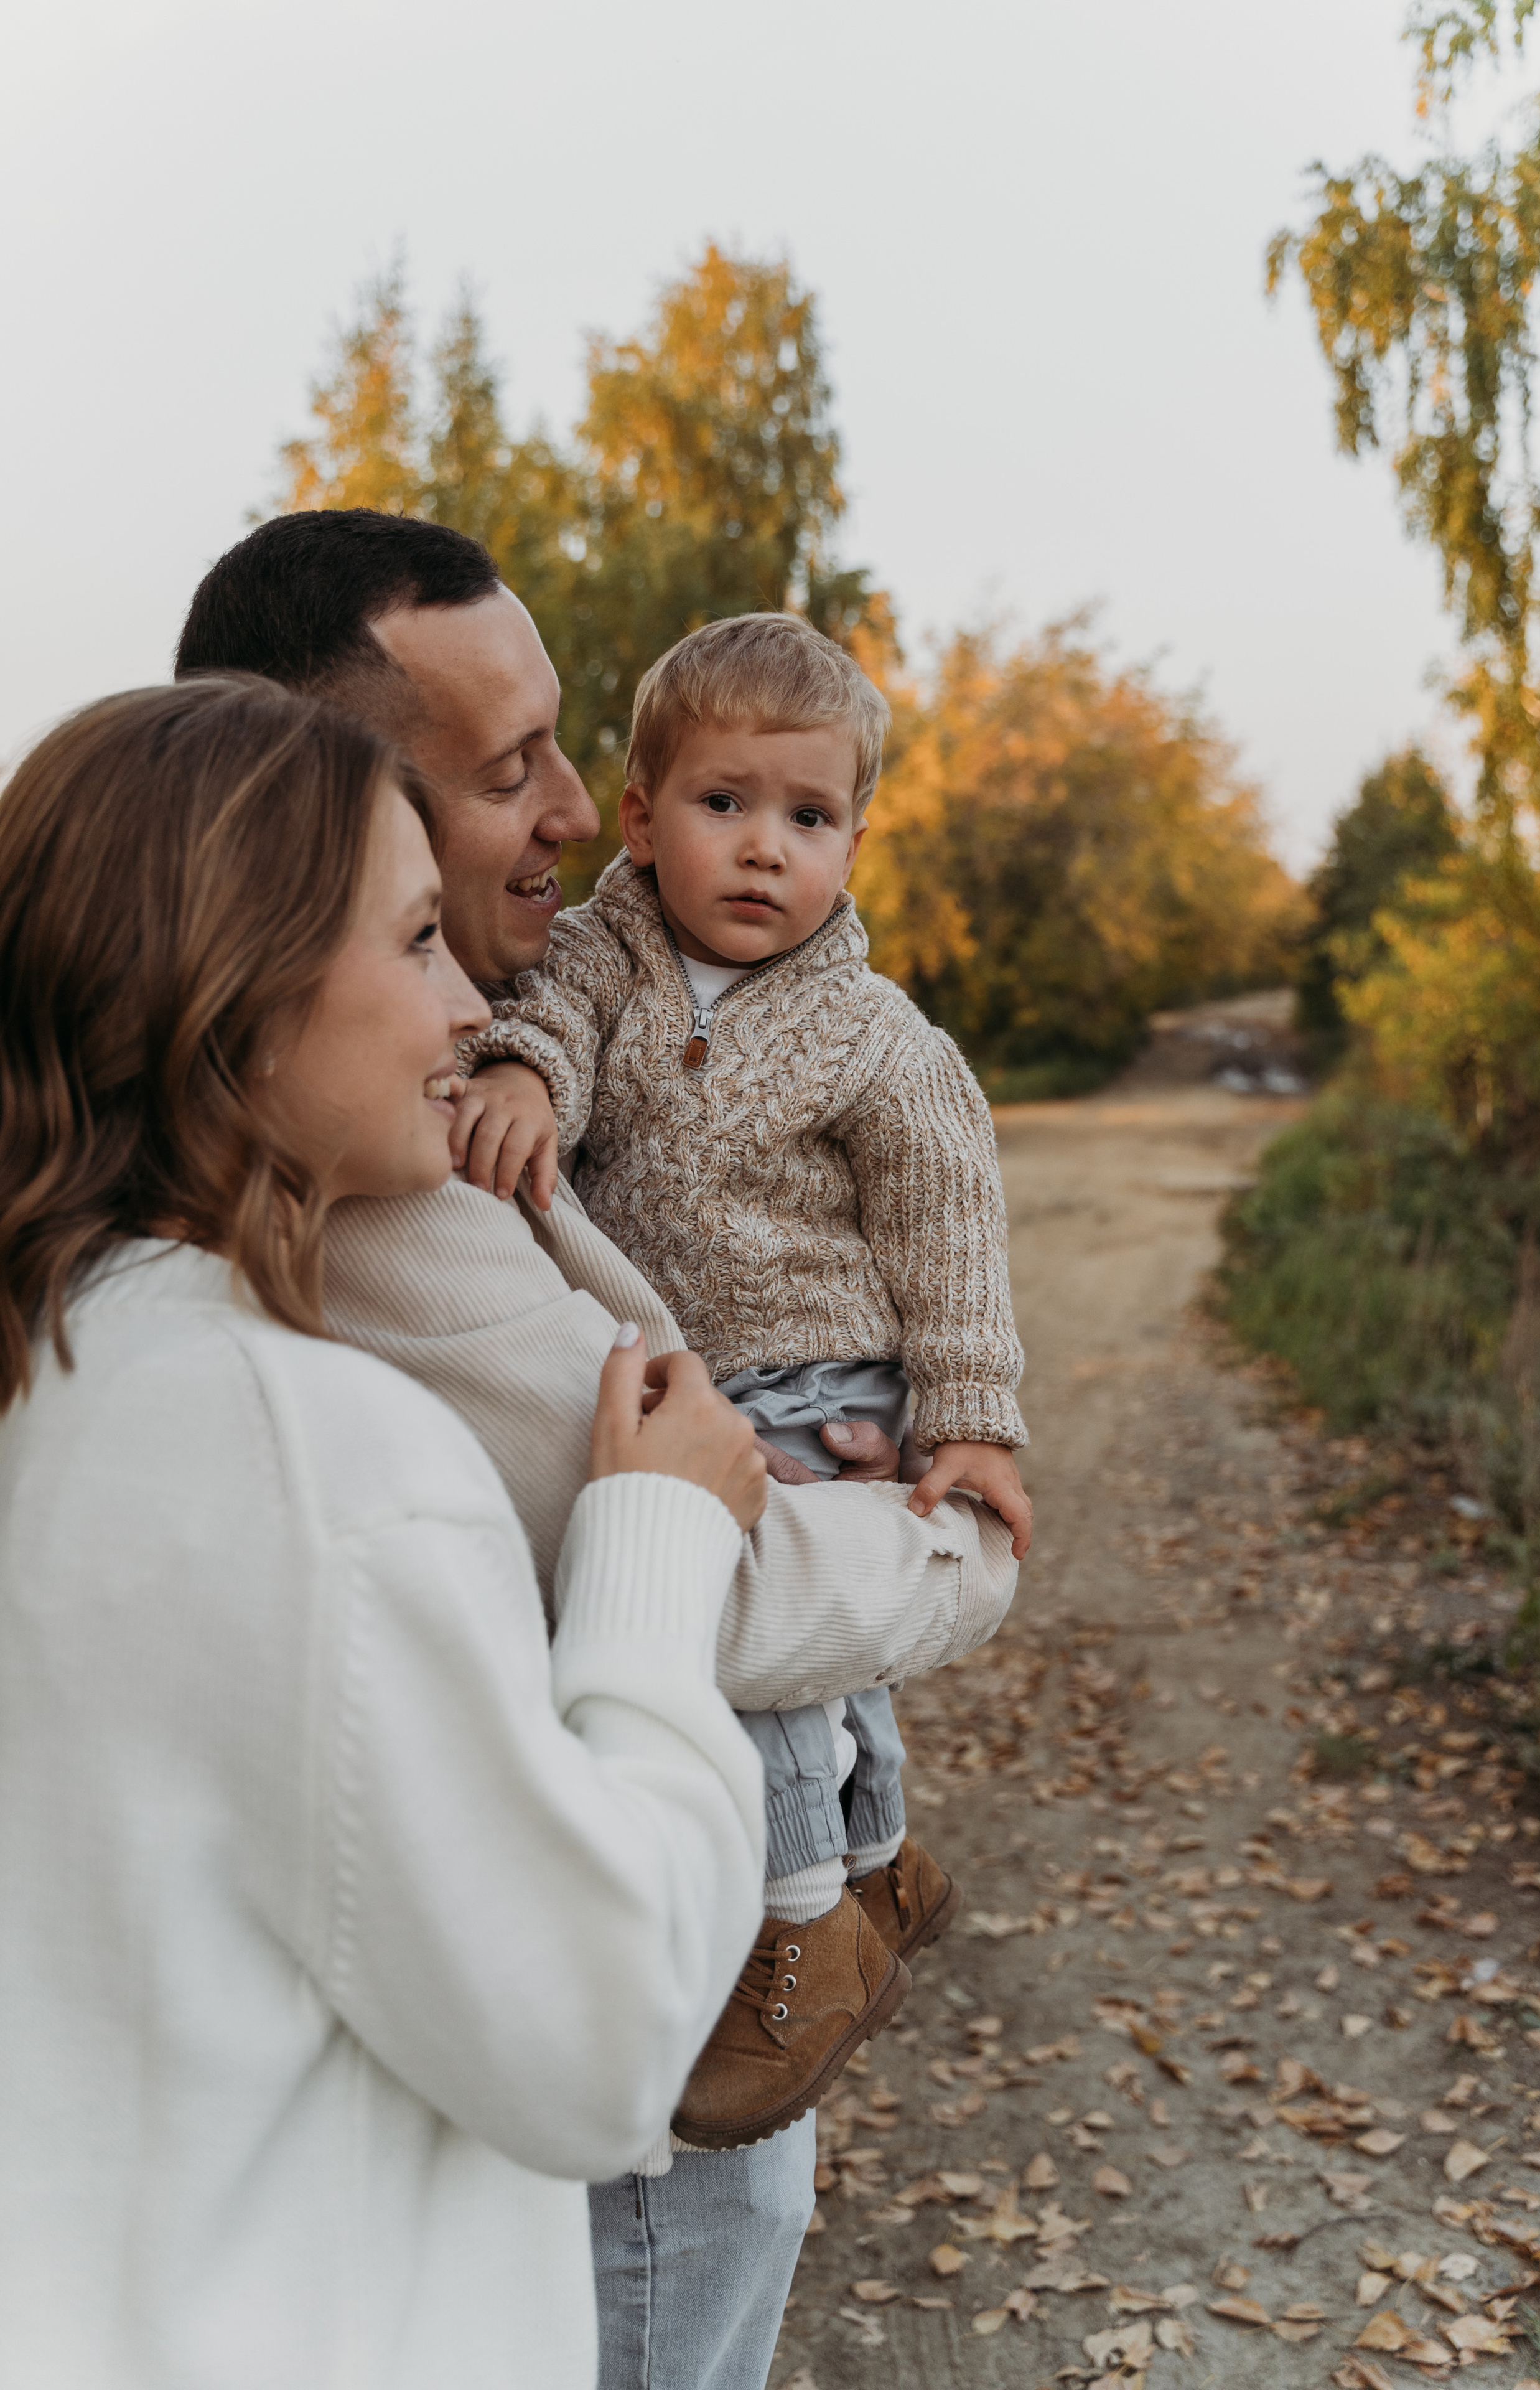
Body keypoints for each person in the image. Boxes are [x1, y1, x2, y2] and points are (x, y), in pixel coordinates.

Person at [174, 511, 1022, 2390]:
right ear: (322, 815)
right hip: (629, 2025)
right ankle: (838, 1894)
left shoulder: (775, 1044)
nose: (579, 809)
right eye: (511, 770)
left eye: (567, 744)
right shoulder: (394, 1204)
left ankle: (856, 1876)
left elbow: (937, 1211)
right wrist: (964, 1544)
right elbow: (721, 1579)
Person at [0, 676, 770, 2389]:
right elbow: (595, 2037)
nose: (462, 1010)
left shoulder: (50, 1388)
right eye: (417, 941)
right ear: (245, 999)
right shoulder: (312, 1457)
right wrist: (653, 1556)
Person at [461, 611, 1033, 2151]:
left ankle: (791, 1917)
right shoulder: (599, 950)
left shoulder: (873, 1038)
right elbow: (554, 1027)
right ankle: (876, 1868)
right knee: (806, 1647)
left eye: (808, 817)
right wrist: (522, 1074)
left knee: (765, 1642)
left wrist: (972, 1420)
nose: (763, 849)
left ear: (854, 839)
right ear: (640, 819)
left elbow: (948, 1235)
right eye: (723, 806)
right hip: (674, 1362)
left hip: (819, 1365)